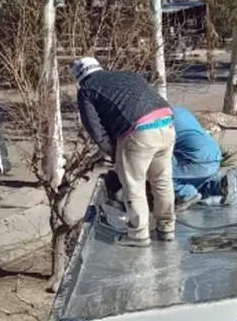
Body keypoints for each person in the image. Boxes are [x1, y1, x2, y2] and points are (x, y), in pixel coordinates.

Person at [71, 57, 175, 247]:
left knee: (134, 185)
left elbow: (95, 129)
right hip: (167, 123)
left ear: (79, 78)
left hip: (139, 132)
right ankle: (167, 227)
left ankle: (138, 235)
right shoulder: (128, 74)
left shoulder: (86, 90)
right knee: (162, 180)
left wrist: (114, 153)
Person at [170, 105, 232, 209]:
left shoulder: (161, 119)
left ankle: (188, 194)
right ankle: (216, 187)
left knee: (159, 172)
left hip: (198, 161)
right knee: (195, 177)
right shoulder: (180, 111)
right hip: (215, 156)